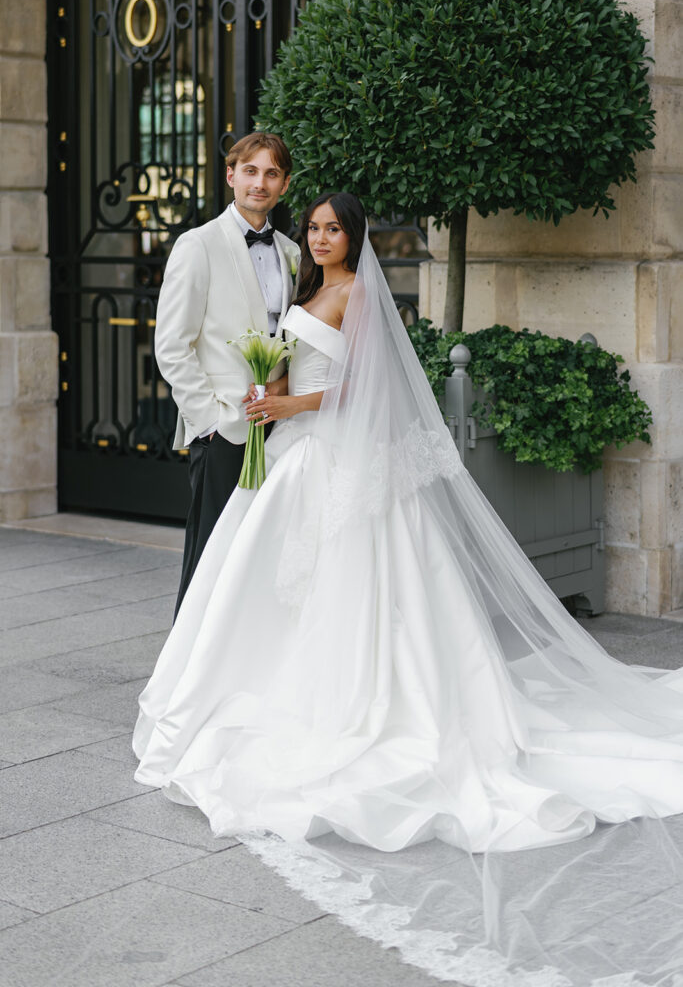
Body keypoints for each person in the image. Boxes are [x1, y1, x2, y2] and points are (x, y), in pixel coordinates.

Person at [135, 192, 683, 986]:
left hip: (335, 463)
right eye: (314, 227)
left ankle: (364, 705)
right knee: (255, 591)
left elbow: (364, 392)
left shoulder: (358, 294)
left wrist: (289, 400)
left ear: (354, 238)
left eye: (333, 229)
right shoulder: (299, 284)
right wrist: (269, 386)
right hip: (288, 458)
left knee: (361, 598)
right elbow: (290, 359)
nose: (320, 237)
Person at [154, 132, 300, 617]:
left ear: (284, 185)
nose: (260, 183)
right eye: (252, 171)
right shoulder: (197, 245)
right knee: (210, 556)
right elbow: (173, 345)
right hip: (225, 429)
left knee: (264, 554)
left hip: (281, 426)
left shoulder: (292, 252)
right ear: (232, 176)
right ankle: (187, 668)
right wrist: (211, 421)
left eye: (272, 174)